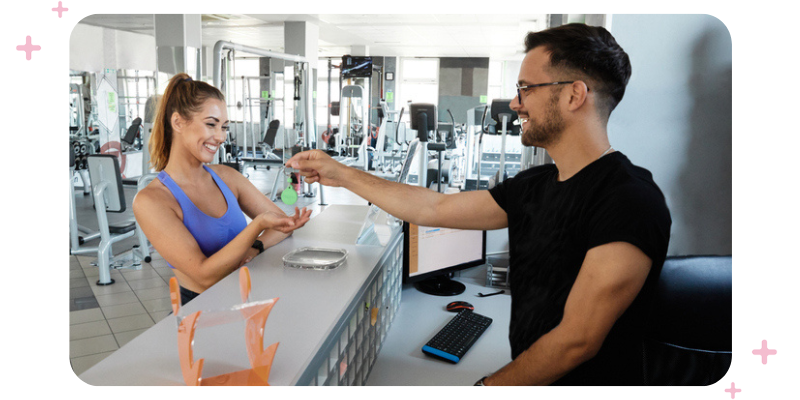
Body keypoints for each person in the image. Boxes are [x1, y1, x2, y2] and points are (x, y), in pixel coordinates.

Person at [287, 23, 671, 385]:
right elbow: (434, 209)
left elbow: (576, 341)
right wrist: (341, 173)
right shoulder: (534, 186)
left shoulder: (629, 199)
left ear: (574, 94)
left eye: (526, 88)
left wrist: (488, 386)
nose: (515, 104)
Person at [133, 73, 312, 306]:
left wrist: (255, 248)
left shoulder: (226, 177)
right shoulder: (152, 201)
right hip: (199, 310)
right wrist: (257, 227)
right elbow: (204, 277)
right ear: (177, 122)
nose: (220, 137)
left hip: (246, 297)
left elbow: (283, 225)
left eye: (224, 127)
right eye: (211, 124)